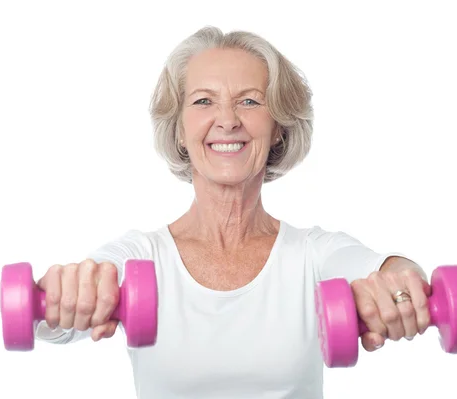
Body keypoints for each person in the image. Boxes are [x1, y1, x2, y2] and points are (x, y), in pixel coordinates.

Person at [35, 26, 431, 398]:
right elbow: (46, 323)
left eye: (249, 101)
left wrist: (402, 287)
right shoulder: (140, 256)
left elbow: (392, 269)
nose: (227, 121)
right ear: (178, 128)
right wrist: (63, 292)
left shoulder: (313, 254)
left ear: (278, 126)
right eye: (204, 101)